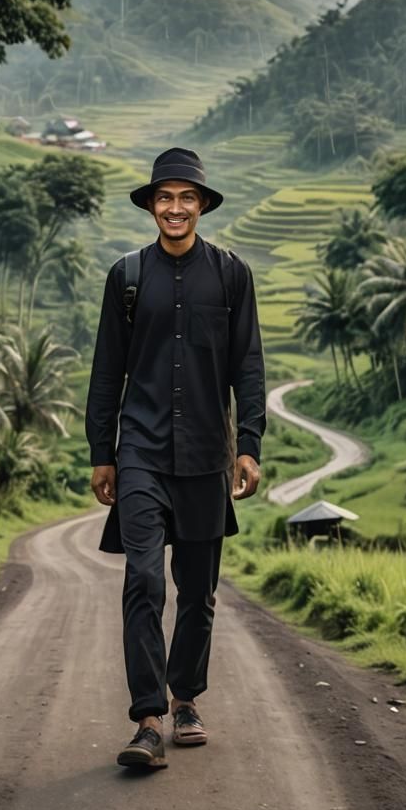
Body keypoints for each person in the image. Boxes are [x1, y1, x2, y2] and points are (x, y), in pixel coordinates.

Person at [86, 147, 266, 770]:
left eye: (187, 198)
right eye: (165, 197)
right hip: (139, 449)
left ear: (203, 206)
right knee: (142, 578)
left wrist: (250, 445)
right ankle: (147, 717)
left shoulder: (232, 275)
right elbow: (108, 368)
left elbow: (248, 364)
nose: (175, 207)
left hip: (205, 455)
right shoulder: (127, 277)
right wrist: (101, 453)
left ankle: (185, 698)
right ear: (151, 205)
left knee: (199, 591)